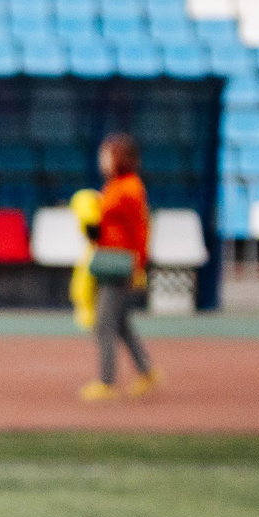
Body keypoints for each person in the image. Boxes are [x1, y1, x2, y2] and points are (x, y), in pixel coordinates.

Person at [78, 131, 160, 403]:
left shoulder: (130, 187)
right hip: (108, 259)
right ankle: (147, 371)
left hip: (121, 263)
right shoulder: (114, 185)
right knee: (120, 322)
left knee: (104, 323)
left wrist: (138, 265)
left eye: (107, 155)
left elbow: (139, 229)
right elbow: (110, 225)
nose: (102, 160)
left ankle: (106, 381)